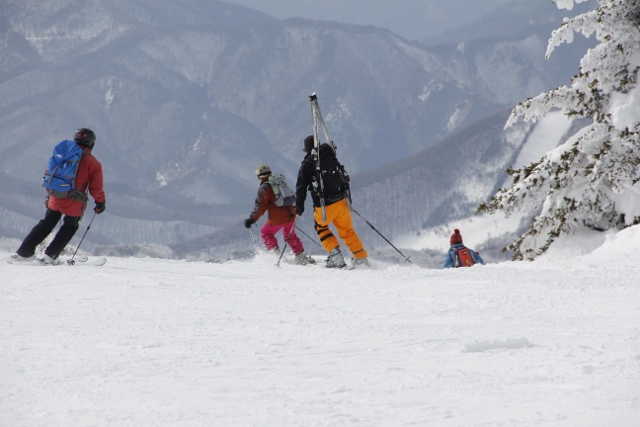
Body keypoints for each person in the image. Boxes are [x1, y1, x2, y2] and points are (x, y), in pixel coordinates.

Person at [10, 128, 106, 265]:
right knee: (70, 226)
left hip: (55, 195)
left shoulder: (63, 154)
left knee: (47, 223)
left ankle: (24, 252)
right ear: (92, 144)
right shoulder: (93, 163)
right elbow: (95, 188)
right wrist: (100, 202)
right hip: (74, 199)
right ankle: (50, 256)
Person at [295, 135, 368, 268]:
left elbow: (301, 188)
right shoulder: (330, 156)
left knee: (321, 228)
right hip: (341, 201)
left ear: (307, 150)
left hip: (324, 206)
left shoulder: (307, 165)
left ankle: (336, 257)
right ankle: (360, 257)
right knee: (347, 231)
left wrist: (299, 207)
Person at [244, 164, 315, 265]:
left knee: (265, 233)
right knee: (290, 236)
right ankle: (301, 257)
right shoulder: (280, 182)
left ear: (259, 177)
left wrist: (251, 219)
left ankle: (276, 256)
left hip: (277, 218)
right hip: (291, 214)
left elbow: (260, 207)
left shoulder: (264, 188)